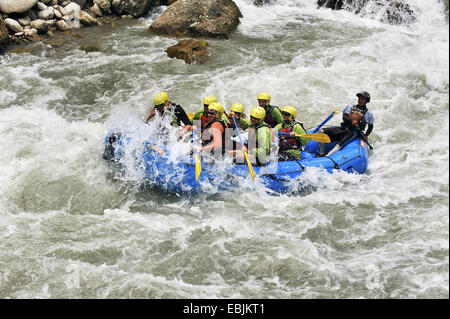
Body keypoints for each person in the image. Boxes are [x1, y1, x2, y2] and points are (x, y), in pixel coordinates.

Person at [320, 91, 374, 156]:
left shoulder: (369, 114)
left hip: (354, 132)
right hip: (344, 128)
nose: (360, 100)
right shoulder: (350, 107)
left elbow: (370, 126)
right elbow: (344, 116)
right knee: (321, 131)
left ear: (366, 101)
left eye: (362, 99)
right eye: (359, 98)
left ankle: (327, 156)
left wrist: (366, 135)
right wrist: (351, 121)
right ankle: (321, 153)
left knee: (340, 144)